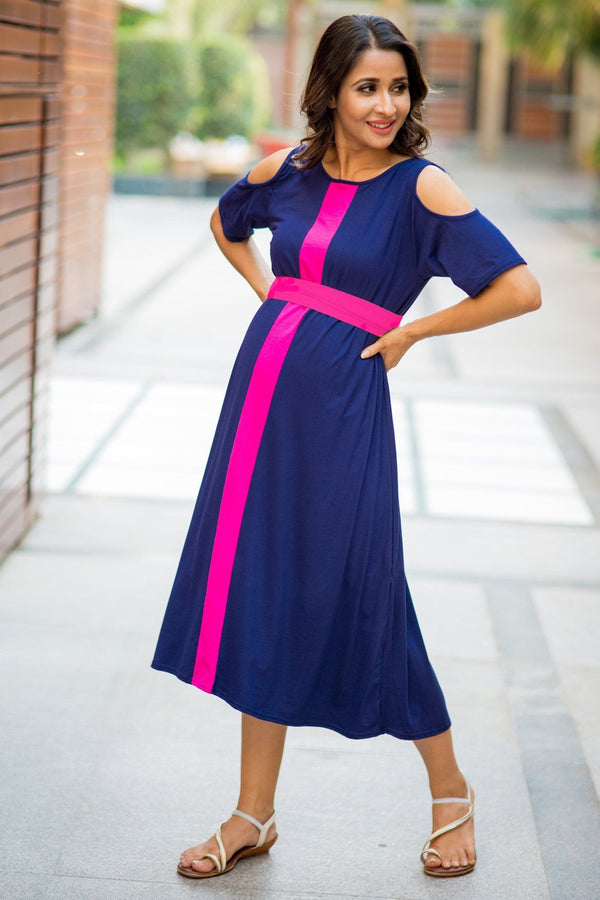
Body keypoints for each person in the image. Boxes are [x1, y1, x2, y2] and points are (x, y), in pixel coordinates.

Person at [151, 13, 541, 881]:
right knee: (264, 582)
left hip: (340, 407)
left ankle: (450, 790)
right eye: (368, 87)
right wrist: (270, 290)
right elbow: (228, 220)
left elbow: (520, 288)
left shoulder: (423, 188)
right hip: (261, 404)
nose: (386, 105)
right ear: (330, 91)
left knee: (364, 585)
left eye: (398, 88)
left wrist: (412, 332)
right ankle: (253, 812)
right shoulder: (290, 171)